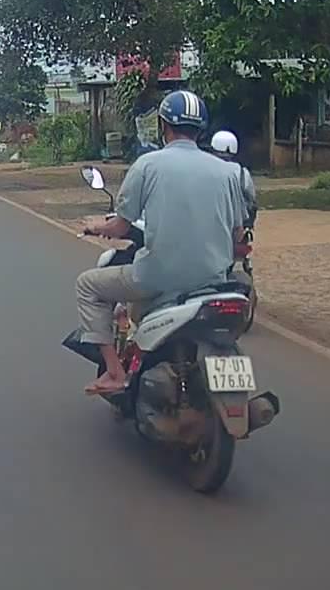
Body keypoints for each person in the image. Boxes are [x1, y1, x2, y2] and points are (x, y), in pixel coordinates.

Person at [77, 90, 244, 395]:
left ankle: (114, 372)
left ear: (163, 125)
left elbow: (120, 226)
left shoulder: (147, 165)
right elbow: (238, 235)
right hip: (215, 281)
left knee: (88, 285)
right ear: (201, 129)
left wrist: (94, 226)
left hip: (156, 278)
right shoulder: (229, 172)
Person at [210, 129, 258, 240]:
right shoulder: (242, 172)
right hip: (238, 225)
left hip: (213, 224)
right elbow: (251, 199)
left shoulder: (207, 170)